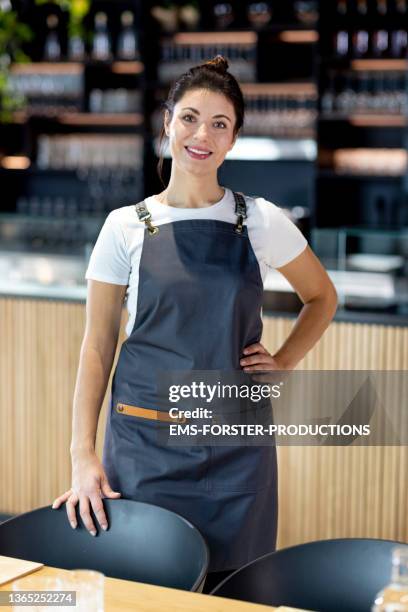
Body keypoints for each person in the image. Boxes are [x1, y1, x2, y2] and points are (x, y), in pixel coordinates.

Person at [51, 55, 337, 593]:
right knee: (140, 591)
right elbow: (97, 347)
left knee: (235, 594)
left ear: (233, 141)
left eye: (219, 124)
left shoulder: (259, 220)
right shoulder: (124, 228)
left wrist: (284, 361)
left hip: (236, 457)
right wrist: (82, 455)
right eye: (189, 117)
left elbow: (321, 296)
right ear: (167, 123)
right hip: (142, 450)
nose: (201, 134)